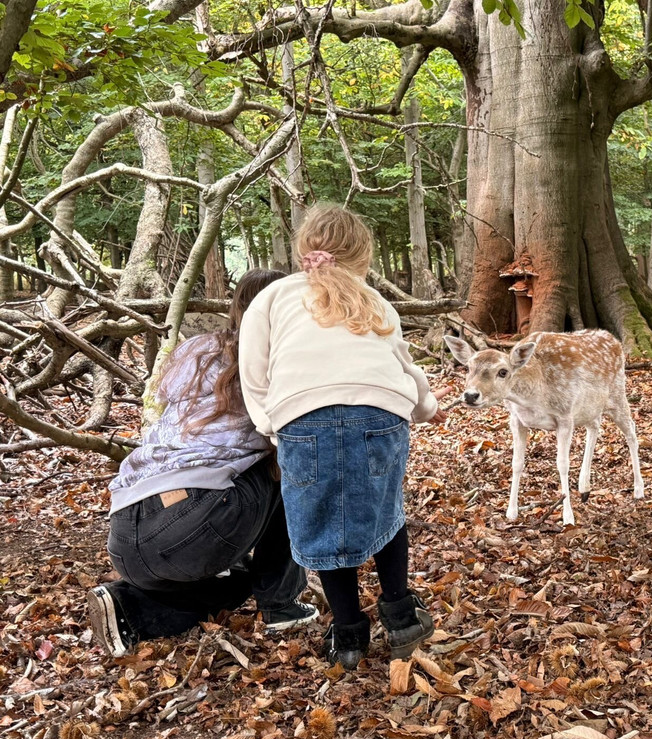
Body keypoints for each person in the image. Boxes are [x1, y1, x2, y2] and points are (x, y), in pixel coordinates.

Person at [239, 204, 449, 670]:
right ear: (363, 256)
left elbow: (253, 373)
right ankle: (400, 613)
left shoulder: (272, 298)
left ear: (303, 250)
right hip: (381, 413)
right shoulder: (374, 301)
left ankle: (349, 633)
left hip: (303, 420)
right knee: (384, 506)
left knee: (322, 522)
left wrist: (272, 427)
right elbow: (405, 367)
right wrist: (426, 408)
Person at [88, 270, 318, 658]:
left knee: (241, 581)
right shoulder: (275, 360)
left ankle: (128, 607)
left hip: (126, 533)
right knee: (288, 468)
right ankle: (282, 605)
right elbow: (296, 443)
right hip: (193, 518)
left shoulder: (197, 348)